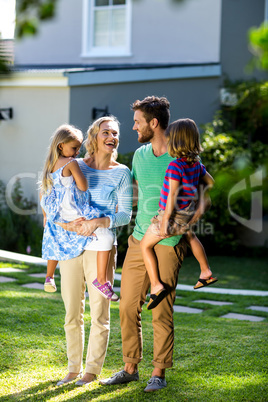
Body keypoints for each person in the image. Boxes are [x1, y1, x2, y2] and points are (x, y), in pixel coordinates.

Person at [100, 96, 206, 392]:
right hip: (140, 240)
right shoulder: (140, 155)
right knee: (128, 306)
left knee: (161, 311)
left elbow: (207, 183)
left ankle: (158, 372)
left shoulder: (182, 157)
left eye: (137, 122)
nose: (133, 127)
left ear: (154, 123)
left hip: (169, 241)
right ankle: (130, 367)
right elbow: (132, 191)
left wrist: (193, 218)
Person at [47, 116, 132, 387]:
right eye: (106, 132)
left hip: (102, 246)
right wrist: (66, 224)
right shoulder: (73, 164)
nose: (112, 137)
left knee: (99, 312)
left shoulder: (122, 172)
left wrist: (99, 221)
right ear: (94, 137)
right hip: (70, 245)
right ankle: (73, 368)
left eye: (115, 133)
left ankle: (91, 371)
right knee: (72, 311)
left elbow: (126, 215)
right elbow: (50, 201)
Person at [140, 118, 217, 310]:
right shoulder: (196, 164)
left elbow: (171, 196)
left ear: (176, 141)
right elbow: (211, 183)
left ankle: (156, 286)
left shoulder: (175, 166)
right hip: (187, 212)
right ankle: (206, 272)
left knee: (145, 246)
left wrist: (164, 221)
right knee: (190, 235)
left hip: (173, 215)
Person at [40, 124, 118, 301]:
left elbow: (43, 193)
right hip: (74, 210)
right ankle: (101, 280)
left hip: (57, 214)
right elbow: (83, 186)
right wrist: (79, 174)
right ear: (61, 146)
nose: (76, 152)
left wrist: (47, 215)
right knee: (106, 236)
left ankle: (49, 276)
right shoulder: (71, 163)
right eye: (74, 148)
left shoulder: (49, 165)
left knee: (55, 240)